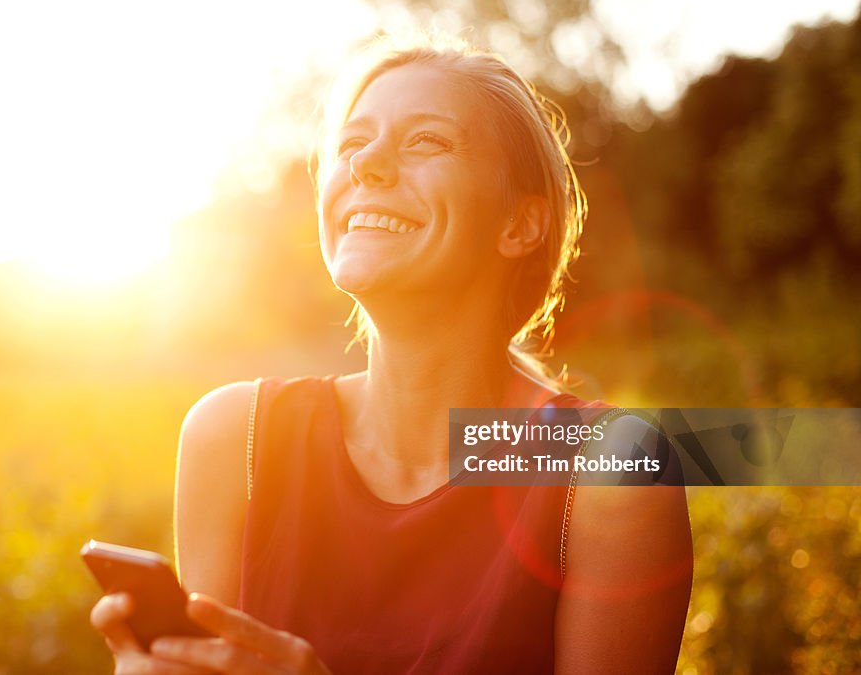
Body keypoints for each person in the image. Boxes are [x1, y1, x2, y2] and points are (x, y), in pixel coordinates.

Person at [91, 35, 693, 674]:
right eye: (351, 145)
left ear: (519, 223)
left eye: (425, 141)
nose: (365, 166)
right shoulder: (232, 437)